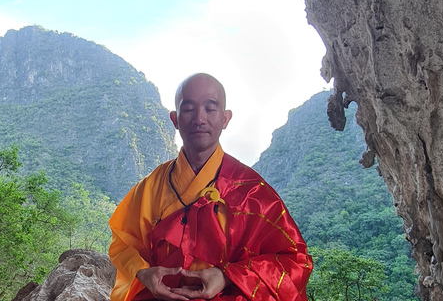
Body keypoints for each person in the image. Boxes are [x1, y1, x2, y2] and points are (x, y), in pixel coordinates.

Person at [109, 73, 313, 301]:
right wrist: (143, 272)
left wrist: (228, 276)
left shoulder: (252, 192)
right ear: (175, 119)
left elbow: (295, 261)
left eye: (210, 108)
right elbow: (124, 240)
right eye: (188, 109)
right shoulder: (150, 187)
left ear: (225, 118)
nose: (199, 118)